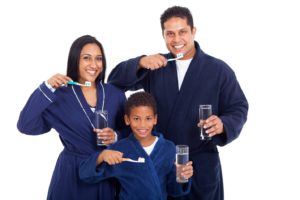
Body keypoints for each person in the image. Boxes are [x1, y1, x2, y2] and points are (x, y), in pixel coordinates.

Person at [108, 6, 248, 200]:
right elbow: (114, 81)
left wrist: (223, 124)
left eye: (182, 32)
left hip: (201, 163)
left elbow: (238, 106)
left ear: (193, 31)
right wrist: (140, 62)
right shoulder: (156, 65)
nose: (176, 39)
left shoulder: (218, 70)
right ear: (163, 36)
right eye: (170, 34)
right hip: (163, 161)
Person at [17, 35, 128, 200]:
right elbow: (25, 125)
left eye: (99, 59)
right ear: (75, 60)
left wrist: (116, 136)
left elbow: (130, 132)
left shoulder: (115, 94)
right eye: (86, 58)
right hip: (71, 175)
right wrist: (46, 87)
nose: (93, 65)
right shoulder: (59, 96)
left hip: (105, 173)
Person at [79, 91, 194, 200]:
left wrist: (183, 176)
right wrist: (102, 156)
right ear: (127, 120)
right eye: (136, 119)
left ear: (155, 119)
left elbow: (174, 191)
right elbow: (85, 175)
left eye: (148, 118)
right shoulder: (119, 149)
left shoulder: (169, 148)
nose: (142, 125)